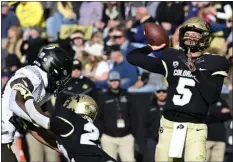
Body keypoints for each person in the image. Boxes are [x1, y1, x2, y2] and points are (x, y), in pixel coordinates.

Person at [127, 17, 229, 161]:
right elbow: (133, 57)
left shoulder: (215, 62)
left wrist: (195, 72)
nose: (191, 36)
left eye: (196, 33)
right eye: (188, 33)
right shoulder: (172, 57)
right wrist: (150, 47)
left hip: (195, 128)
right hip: (169, 126)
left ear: (204, 37)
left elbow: (212, 97)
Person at [1, 46, 73, 162]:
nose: (64, 79)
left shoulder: (41, 88)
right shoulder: (32, 75)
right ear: (53, 66)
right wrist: (52, 124)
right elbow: (15, 103)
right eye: (63, 73)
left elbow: (34, 128)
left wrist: (65, 149)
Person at [12, 95, 116, 162]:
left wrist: (25, 94)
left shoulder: (72, 125)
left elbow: (37, 115)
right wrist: (29, 126)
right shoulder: (81, 132)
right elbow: (52, 142)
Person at [97, 71, 136, 162]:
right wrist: (102, 134)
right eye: (112, 80)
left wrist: (132, 133)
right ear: (108, 82)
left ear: (120, 81)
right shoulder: (102, 97)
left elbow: (133, 115)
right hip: (108, 137)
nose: (114, 82)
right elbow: (98, 117)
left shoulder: (127, 96)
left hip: (126, 137)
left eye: (116, 80)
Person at [144, 83, 167, 162]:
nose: (161, 93)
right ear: (155, 93)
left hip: (168, 140)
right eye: (159, 91)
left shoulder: (171, 107)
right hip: (153, 139)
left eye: (164, 91)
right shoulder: (149, 107)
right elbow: (145, 124)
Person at [206, 98, 232, 162]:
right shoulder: (206, 100)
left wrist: (214, 113)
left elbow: (229, 115)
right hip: (206, 138)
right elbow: (208, 117)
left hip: (221, 139)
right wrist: (220, 112)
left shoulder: (222, 101)